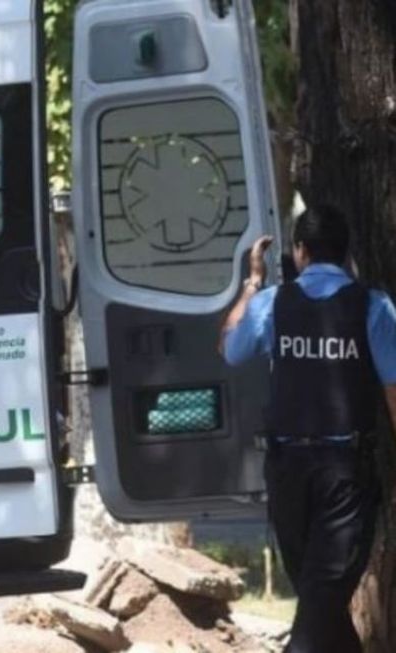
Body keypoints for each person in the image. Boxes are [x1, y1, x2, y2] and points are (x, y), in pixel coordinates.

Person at [220, 204, 396, 653]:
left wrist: (251, 284)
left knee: (317, 608)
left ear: (300, 251)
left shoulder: (271, 303)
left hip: (290, 473)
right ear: (345, 253)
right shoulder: (373, 307)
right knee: (322, 606)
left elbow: (229, 347)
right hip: (344, 472)